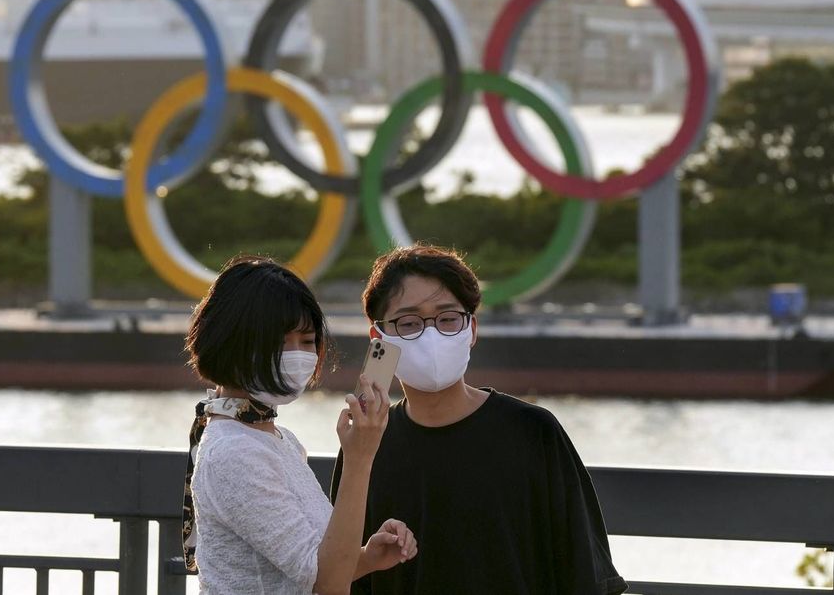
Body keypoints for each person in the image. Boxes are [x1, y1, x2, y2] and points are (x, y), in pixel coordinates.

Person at [331, 244, 627, 594]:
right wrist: (359, 453)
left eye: (447, 318)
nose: (431, 334)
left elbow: (584, 574)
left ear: (471, 329)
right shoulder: (366, 445)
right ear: (378, 339)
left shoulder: (533, 432)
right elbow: (340, 576)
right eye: (408, 323)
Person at [182, 256, 418, 595]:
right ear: (232, 340)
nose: (296, 354)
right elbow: (328, 582)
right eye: (279, 341)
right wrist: (360, 457)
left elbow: (311, 565)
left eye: (307, 341)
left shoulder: (276, 438)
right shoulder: (234, 453)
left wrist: (367, 557)